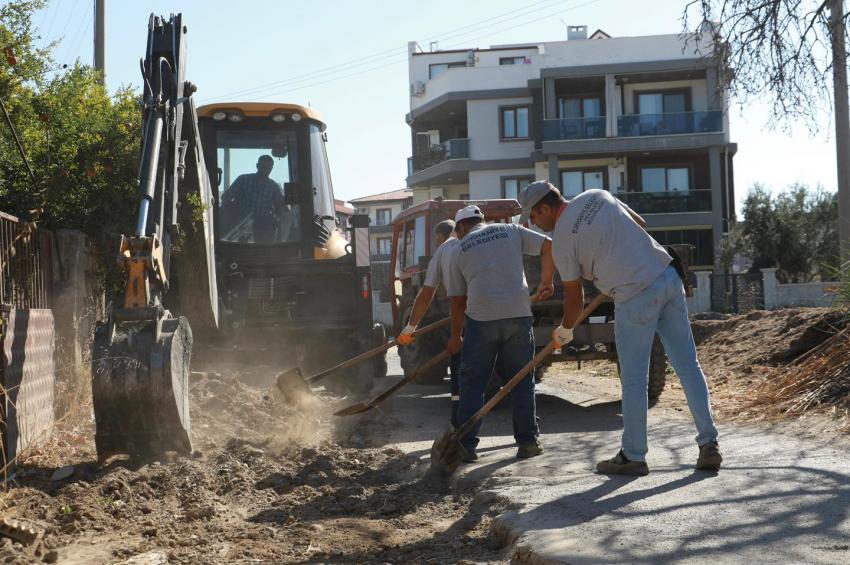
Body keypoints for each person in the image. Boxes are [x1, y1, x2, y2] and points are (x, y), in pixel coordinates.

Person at [518, 181, 721, 476]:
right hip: (667, 276)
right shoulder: (596, 195)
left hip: (634, 296)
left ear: (545, 208)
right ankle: (709, 444)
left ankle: (634, 454)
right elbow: (639, 222)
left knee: (635, 379)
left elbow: (576, 300)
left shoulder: (562, 241)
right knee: (688, 365)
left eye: (533, 217)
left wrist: (564, 331)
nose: (534, 224)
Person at [444, 204, 555, 462]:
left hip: (481, 320)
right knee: (521, 380)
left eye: (458, 231)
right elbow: (548, 245)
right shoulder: (511, 230)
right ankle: (528, 442)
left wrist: (455, 335)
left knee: (473, 382)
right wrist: (547, 281)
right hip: (518, 315)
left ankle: (467, 445)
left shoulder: (458, 249)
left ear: (462, 227)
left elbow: (458, 301)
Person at [397, 219, 462, 426]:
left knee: (459, 363)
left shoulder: (444, 250)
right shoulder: (473, 246)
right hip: (475, 311)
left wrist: (409, 328)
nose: (435, 242)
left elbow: (426, 294)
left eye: (436, 237)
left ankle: (459, 417)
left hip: (465, 314)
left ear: (442, 237)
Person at [223, 154, 288, 243]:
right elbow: (226, 197)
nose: (265, 170)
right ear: (257, 166)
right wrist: (232, 215)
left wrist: (279, 228)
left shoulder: (274, 187)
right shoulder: (243, 180)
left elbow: (282, 209)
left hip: (263, 229)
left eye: (268, 168)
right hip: (240, 227)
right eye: (263, 167)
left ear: (271, 169)